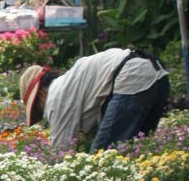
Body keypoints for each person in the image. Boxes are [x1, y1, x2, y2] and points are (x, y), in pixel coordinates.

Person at [19, 49, 170, 152]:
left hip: (131, 80)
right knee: (137, 152)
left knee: (100, 160)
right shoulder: (68, 85)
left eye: (39, 110)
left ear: (41, 94)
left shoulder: (55, 95)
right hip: (157, 75)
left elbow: (60, 151)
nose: (45, 115)